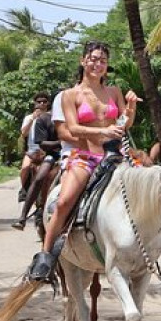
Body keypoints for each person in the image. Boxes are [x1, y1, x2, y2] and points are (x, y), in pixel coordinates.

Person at [26, 42, 139, 282]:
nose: (98, 64)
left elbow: (125, 124)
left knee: (153, 189)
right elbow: (73, 127)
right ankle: (46, 256)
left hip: (115, 156)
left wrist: (130, 108)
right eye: (93, 59)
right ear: (83, 61)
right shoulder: (69, 95)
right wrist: (102, 133)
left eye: (103, 60)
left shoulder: (114, 91)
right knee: (65, 201)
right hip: (84, 157)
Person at [11, 98, 64, 230]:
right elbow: (42, 143)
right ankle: (23, 216)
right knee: (40, 176)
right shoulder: (44, 119)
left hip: (78, 153)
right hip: (54, 154)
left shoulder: (74, 116)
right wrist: (61, 143)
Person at [17, 93, 52, 202]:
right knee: (25, 167)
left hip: (46, 150)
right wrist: (33, 118)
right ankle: (23, 189)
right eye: (39, 102)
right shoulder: (29, 117)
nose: (41, 104)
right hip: (32, 150)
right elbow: (24, 133)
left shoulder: (51, 117)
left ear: (48, 103)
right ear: (35, 103)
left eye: (44, 102)